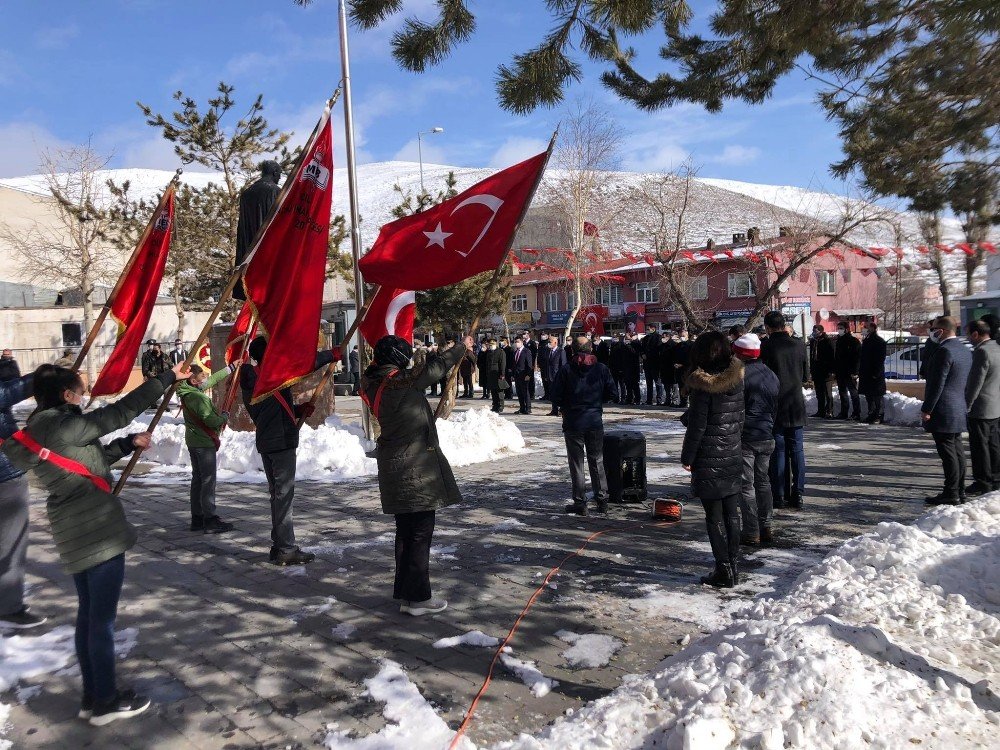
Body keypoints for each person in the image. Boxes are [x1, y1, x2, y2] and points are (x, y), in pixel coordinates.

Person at [2, 360, 188, 725]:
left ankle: (93, 696)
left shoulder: (40, 429)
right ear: (66, 395)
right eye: (81, 391)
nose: (85, 396)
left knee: (89, 616)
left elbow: (87, 462)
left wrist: (126, 444)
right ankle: (104, 701)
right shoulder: (65, 425)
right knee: (100, 622)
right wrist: (168, 378)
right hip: (96, 530)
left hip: (73, 530)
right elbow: (120, 411)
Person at [361, 334, 474, 616]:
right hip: (414, 468)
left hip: (395, 465)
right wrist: (461, 347)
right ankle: (419, 598)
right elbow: (435, 369)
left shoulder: (373, 382)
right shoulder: (400, 382)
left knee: (406, 533)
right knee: (420, 534)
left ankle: (407, 594)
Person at [240, 336, 337, 565]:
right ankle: (286, 548)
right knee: (284, 497)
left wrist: (297, 410)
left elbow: (269, 410)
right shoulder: (271, 376)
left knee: (277, 495)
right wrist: (330, 355)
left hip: (267, 440)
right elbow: (303, 365)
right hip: (280, 442)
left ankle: (278, 545)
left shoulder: (254, 380)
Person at [680, 331, 746, 587]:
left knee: (714, 516)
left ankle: (723, 569)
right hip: (732, 451)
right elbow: (739, 417)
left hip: (709, 455)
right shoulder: (736, 379)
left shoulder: (702, 385)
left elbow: (698, 427)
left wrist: (687, 456)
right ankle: (733, 566)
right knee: (732, 513)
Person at [551, 336, 616, 516]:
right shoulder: (601, 369)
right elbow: (613, 393)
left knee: (577, 463)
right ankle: (602, 500)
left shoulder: (566, 369)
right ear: (591, 349)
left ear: (572, 350)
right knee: (597, 460)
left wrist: (566, 404)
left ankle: (580, 502)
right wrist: (596, 402)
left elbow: (554, 395)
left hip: (573, 421)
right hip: (594, 420)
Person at [0, 368, 44, 629]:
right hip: (4, 476)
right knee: (10, 543)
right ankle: (7, 608)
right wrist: (42, 376)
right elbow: (6, 393)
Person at [177, 363, 237, 534]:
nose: (205, 378)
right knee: (208, 481)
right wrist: (223, 417)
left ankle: (197, 518)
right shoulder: (198, 398)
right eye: (202, 376)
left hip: (193, 441)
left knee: (198, 480)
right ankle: (210, 519)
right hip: (204, 443)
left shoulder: (187, 392)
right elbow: (210, 420)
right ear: (194, 381)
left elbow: (212, 380)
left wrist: (230, 368)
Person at [921, 316, 973, 505]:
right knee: (957, 451)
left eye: (933, 329)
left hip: (943, 408)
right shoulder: (964, 350)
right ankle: (959, 490)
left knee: (948, 453)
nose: (932, 332)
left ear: (941, 331)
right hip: (958, 406)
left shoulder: (943, 351)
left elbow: (937, 384)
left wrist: (927, 408)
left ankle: (951, 492)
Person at [732, 333, 778, 547]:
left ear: (741, 354)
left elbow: (735, 407)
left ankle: (751, 531)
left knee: (746, 485)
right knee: (763, 482)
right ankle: (766, 526)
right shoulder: (770, 374)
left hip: (747, 436)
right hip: (766, 434)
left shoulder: (740, 376)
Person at [761, 311, 809, 508]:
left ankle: (779, 495)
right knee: (797, 450)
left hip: (775, 405)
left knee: (778, 451)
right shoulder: (799, 345)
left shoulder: (766, 346)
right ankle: (798, 493)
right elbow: (806, 376)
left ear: (768, 327)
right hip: (795, 403)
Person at [234, 161, 282, 300]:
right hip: (268, 252)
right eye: (279, 174)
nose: (280, 177)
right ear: (274, 172)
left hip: (248, 251)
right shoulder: (275, 191)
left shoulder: (247, 193)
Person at [964, 319, 1000, 496]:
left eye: (968, 334)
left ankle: (983, 481)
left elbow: (975, 383)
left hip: (981, 407)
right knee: (993, 444)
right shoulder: (996, 347)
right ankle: (996, 478)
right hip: (995, 406)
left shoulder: (982, 352)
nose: (967, 338)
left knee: (980, 447)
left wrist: (967, 405)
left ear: (975, 334)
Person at [859, 322, 887, 424]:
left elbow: (880, 359)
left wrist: (876, 373)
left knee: (877, 396)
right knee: (869, 395)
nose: (864, 329)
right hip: (866, 373)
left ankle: (878, 415)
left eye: (866, 327)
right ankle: (871, 414)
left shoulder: (879, 341)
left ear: (873, 328)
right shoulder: (866, 340)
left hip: (875, 373)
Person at [833, 323, 861, 420]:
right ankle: (844, 412)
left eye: (841, 328)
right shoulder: (839, 340)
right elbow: (837, 357)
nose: (839, 330)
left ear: (846, 329)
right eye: (838, 328)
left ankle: (856, 413)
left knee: (853, 393)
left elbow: (857, 358)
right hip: (840, 371)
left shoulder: (853, 341)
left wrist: (855, 372)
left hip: (850, 372)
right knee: (842, 393)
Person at [809, 325, 835, 418]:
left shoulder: (828, 341)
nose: (814, 332)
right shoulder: (813, 341)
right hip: (817, 370)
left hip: (826, 371)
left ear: (820, 331)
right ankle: (821, 411)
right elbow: (812, 356)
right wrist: (812, 370)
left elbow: (832, 356)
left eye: (815, 331)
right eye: (813, 331)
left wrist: (831, 370)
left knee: (828, 393)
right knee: (819, 392)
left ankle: (830, 411)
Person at [543, 336, 567, 416]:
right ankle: (554, 410)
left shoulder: (561, 351)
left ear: (555, 342)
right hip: (550, 376)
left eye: (550, 342)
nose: (549, 344)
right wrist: (546, 375)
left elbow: (563, 365)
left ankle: (561, 410)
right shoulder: (548, 351)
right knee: (552, 394)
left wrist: (562, 376)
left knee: (559, 394)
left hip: (558, 376)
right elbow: (547, 364)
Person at [512, 337, 534, 414]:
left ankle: (528, 408)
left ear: (522, 342)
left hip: (524, 375)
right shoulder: (515, 352)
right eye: (515, 342)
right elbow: (514, 364)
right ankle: (522, 408)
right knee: (519, 392)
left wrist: (528, 374)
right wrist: (513, 374)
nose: (516, 343)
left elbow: (529, 364)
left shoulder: (526, 351)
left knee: (525, 392)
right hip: (517, 375)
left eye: (518, 342)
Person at [484, 339, 507, 413]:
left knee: (499, 391)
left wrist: (502, 374)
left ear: (495, 344)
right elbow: (487, 363)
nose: (491, 346)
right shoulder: (489, 352)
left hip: (498, 374)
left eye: (492, 345)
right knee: (493, 391)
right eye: (490, 345)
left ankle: (501, 406)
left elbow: (502, 363)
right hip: (491, 374)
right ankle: (495, 405)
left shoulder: (500, 352)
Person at [659, 332, 676, 406]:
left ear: (668, 337)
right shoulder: (662, 345)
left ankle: (674, 400)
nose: (662, 338)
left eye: (664, 337)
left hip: (672, 368)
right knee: (666, 385)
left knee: (673, 385)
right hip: (664, 368)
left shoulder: (674, 345)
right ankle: (668, 400)